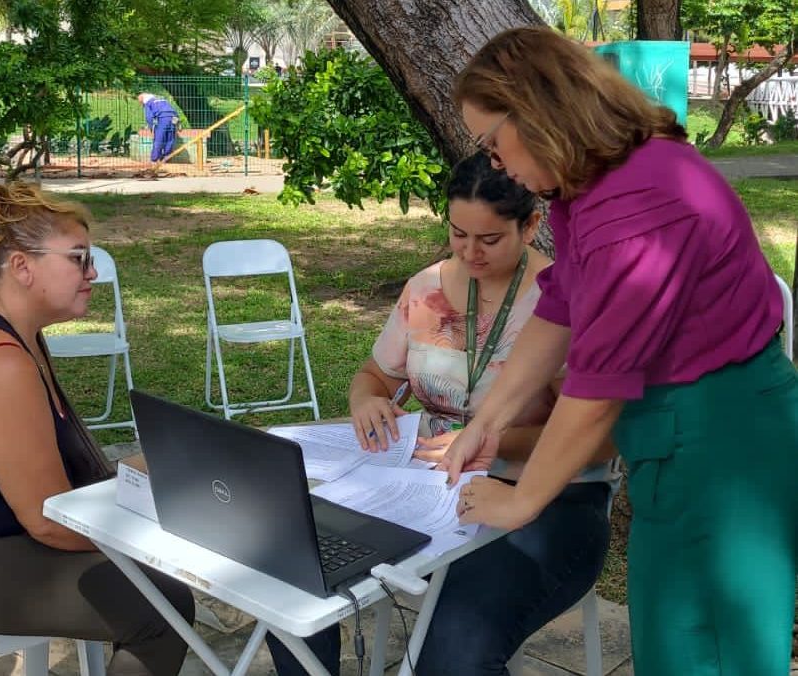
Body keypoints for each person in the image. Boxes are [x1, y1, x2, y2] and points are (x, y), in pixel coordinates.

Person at [443, 26, 798, 676]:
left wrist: (522, 501)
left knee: (707, 655)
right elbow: (561, 307)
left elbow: (598, 387)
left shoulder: (638, 204)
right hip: (684, 438)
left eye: (493, 143)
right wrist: (489, 419)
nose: (494, 164)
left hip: (720, 449)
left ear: (540, 113)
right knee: (673, 646)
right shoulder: (593, 182)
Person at [266, 154, 615, 676]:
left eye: (490, 239)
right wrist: (368, 401)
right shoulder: (425, 289)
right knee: (286, 560)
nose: (470, 252)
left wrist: (491, 443)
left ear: (532, 225)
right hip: (423, 489)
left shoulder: (562, 299)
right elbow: (374, 376)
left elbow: (601, 440)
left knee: (452, 649)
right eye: (458, 234)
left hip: (549, 501)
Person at [0, 182, 195, 676]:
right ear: (22, 266)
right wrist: (160, 532)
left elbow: (62, 477)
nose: (93, 272)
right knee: (161, 608)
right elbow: (50, 522)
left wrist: (156, 472)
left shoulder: (12, 333)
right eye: (79, 258)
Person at [137, 93, 179, 163]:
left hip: (164, 118)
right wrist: (178, 122)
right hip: (174, 117)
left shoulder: (148, 103)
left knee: (159, 139)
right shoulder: (162, 100)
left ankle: (154, 159)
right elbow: (172, 109)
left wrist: (151, 127)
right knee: (170, 138)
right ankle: (167, 158)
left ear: (142, 100)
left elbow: (149, 117)